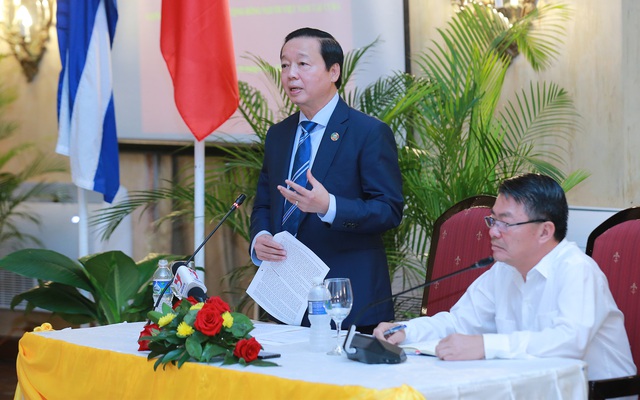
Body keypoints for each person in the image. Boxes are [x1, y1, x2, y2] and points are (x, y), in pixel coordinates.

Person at [373, 173, 636, 380]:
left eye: (506, 223)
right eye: (492, 220)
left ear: (545, 231)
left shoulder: (577, 270)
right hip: (532, 387)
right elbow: (459, 322)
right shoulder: (504, 269)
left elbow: (569, 342)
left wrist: (485, 346)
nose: (493, 232)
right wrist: (405, 331)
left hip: (594, 393)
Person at [249, 28, 403, 333]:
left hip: (347, 301)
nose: (291, 74)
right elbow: (265, 202)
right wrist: (260, 238)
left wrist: (329, 206)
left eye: (302, 64)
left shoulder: (368, 132)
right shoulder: (279, 134)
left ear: (334, 71)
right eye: (285, 65)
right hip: (287, 299)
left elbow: (388, 210)